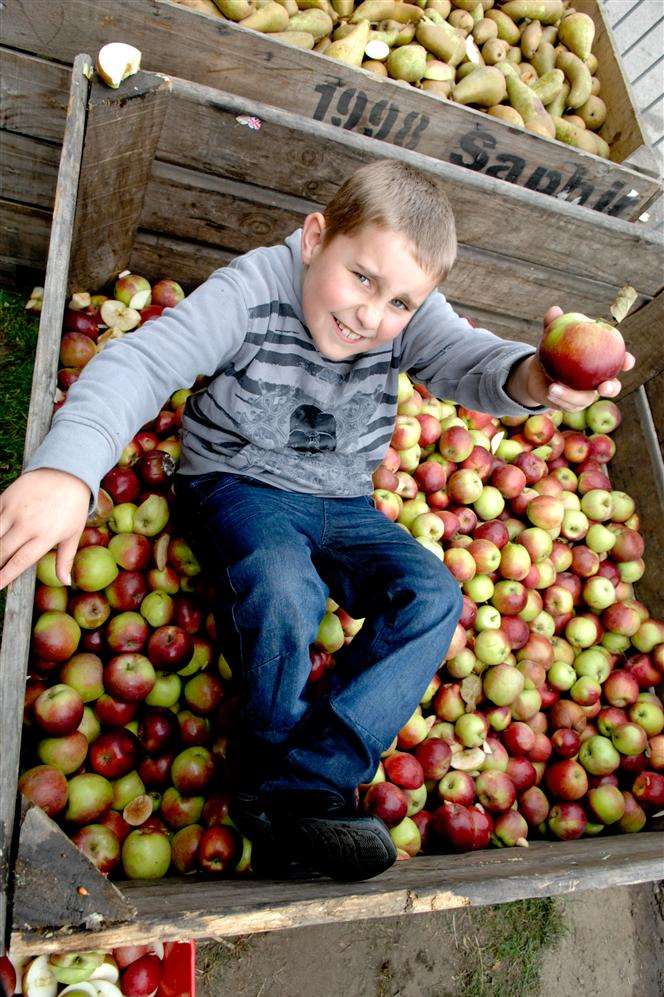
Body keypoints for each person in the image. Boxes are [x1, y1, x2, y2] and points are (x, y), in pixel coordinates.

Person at [0, 160, 634, 882]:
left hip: (342, 500)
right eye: (361, 279)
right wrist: (68, 469)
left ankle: (310, 781)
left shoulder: (406, 318)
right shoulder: (253, 290)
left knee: (434, 595)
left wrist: (537, 377)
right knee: (284, 588)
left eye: (399, 302)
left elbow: (468, 363)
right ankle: (268, 771)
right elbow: (141, 363)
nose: (373, 316)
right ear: (313, 238)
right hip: (239, 482)